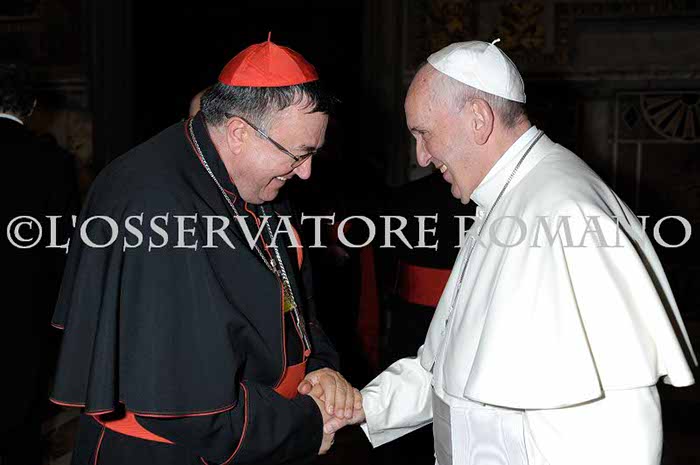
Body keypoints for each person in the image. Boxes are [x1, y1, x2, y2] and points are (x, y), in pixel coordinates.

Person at [326, 40, 697, 465]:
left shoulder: (566, 211)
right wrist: (364, 405)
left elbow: (624, 425)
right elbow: (446, 370)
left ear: (478, 119)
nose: (421, 156)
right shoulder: (502, 198)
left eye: (423, 134)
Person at [50, 37, 361, 465]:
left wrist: (319, 366)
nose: (305, 173)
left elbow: (292, 294)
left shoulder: (249, 180)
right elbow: (187, 407)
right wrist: (305, 426)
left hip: (252, 429)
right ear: (239, 132)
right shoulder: (155, 206)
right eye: (299, 154)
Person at [1, 63, 80, 465]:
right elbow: (65, 243)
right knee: (23, 416)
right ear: (31, 106)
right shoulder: (53, 161)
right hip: (27, 306)